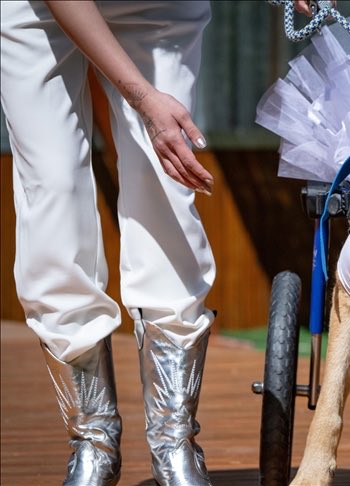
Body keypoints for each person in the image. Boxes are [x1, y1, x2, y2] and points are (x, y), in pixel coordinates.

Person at [0, 1, 310, 484]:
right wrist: (143, 99)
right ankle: (93, 443)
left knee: (164, 188)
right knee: (53, 191)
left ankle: (174, 442)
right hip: (41, 10)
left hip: (158, 7)